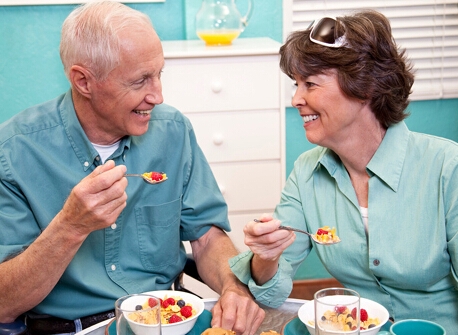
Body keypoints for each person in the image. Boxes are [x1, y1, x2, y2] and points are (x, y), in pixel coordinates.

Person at [0, 1, 265, 334]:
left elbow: (207, 237)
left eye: (159, 74)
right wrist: (70, 226)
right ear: (84, 81)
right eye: (140, 81)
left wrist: (233, 286)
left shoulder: (173, 131)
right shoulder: (13, 152)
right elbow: (4, 302)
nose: (157, 95)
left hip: (168, 321)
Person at [229, 9, 458, 334]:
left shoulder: (448, 170)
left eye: (310, 83)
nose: (296, 98)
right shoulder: (307, 172)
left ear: (363, 86)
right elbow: (273, 289)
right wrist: (265, 255)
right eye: (296, 84)